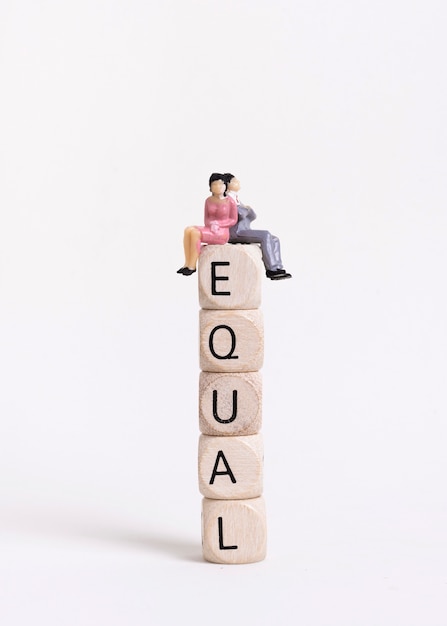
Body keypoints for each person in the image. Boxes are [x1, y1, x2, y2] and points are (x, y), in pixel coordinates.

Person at [223, 173, 292, 280]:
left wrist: (246, 210)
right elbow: (241, 214)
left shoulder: (237, 199)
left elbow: (252, 215)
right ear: (227, 184)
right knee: (265, 235)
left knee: (275, 239)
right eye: (235, 181)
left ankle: (278, 267)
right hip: (236, 232)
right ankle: (271, 269)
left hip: (244, 229)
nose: (238, 183)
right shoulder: (227, 199)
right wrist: (246, 209)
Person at [177, 173, 238, 275]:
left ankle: (192, 265)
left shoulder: (230, 202)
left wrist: (219, 224)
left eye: (221, 184)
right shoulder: (208, 200)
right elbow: (207, 219)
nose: (218, 187)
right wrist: (211, 224)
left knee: (195, 233)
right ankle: (187, 263)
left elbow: (233, 220)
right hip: (210, 228)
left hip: (221, 233)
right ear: (210, 187)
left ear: (225, 186)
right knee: (188, 230)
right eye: (214, 184)